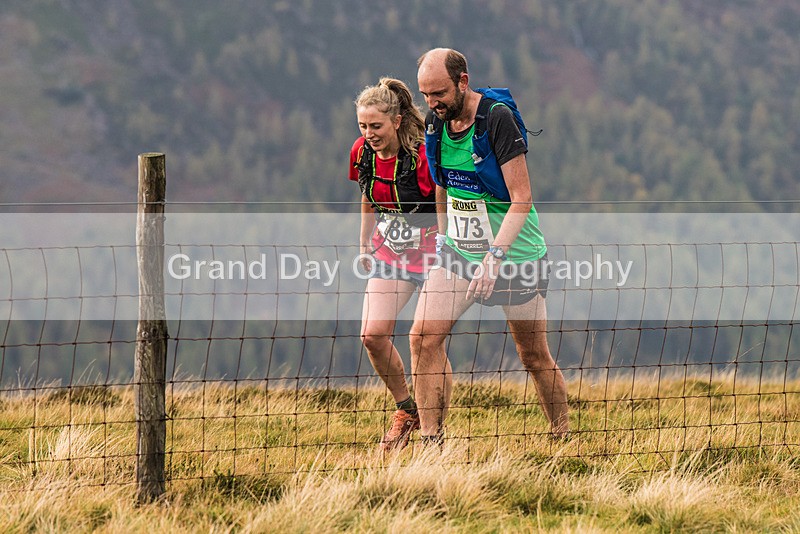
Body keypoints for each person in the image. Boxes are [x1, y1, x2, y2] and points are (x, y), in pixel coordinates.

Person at [410, 48, 569, 447]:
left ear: (463, 81)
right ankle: (432, 442)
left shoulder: (496, 119)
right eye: (425, 95)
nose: (432, 104)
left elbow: (522, 198)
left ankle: (562, 438)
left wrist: (493, 258)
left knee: (533, 357)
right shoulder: (435, 123)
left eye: (439, 93)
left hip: (515, 258)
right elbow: (443, 184)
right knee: (423, 337)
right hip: (460, 255)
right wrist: (444, 241)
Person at [349, 77, 442, 451]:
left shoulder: (421, 158)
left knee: (428, 342)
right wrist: (364, 244)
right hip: (391, 252)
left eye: (376, 126)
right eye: (363, 126)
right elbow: (368, 196)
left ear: (397, 121)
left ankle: (434, 432)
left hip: (434, 251)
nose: (369, 133)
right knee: (372, 335)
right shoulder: (362, 152)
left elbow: (444, 201)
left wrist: (451, 248)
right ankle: (407, 409)